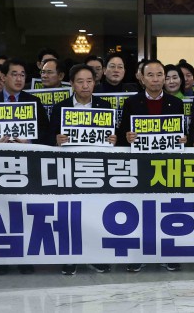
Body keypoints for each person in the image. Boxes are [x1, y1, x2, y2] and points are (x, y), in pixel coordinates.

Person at [0, 59, 49, 276]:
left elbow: (46, 134)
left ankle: (25, 257)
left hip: (27, 167)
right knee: (1, 212)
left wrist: (29, 141)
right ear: (4, 77)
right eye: (14, 74)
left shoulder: (33, 102)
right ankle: (2, 258)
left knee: (24, 212)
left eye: (22, 75)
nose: (19, 78)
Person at [117, 59, 186, 272]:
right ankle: (139, 254)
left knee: (167, 210)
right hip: (140, 166)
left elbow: (183, 133)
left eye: (159, 75)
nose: (155, 79)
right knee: (140, 211)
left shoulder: (176, 103)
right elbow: (121, 134)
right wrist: (126, 137)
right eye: (150, 75)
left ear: (164, 77)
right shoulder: (131, 103)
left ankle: (168, 253)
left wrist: (184, 139)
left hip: (168, 166)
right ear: (141, 78)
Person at [49, 64, 117, 275]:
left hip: (96, 169)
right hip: (68, 169)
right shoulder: (60, 108)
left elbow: (114, 137)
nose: (85, 85)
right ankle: (70, 257)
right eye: (80, 81)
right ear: (71, 83)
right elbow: (47, 138)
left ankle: (95, 256)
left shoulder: (105, 106)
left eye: (89, 81)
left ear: (95, 83)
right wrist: (56, 140)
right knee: (70, 214)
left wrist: (113, 140)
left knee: (95, 214)